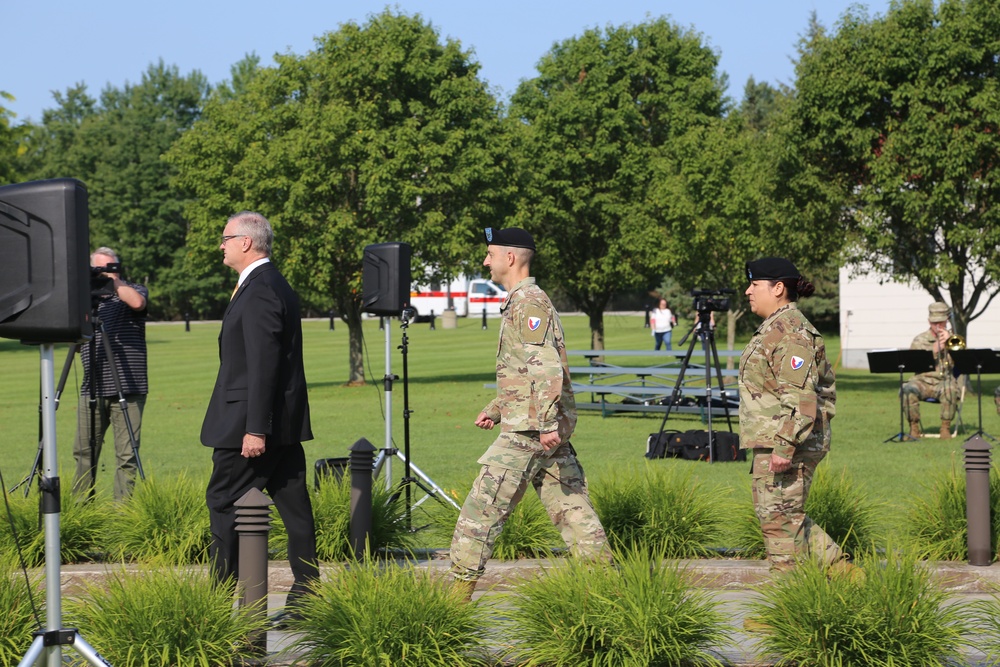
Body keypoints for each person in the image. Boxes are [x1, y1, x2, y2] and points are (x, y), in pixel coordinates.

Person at [449, 227, 609, 599]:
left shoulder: (529, 303)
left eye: (490, 254)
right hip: (536, 423)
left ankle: (454, 600)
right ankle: (607, 593)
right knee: (571, 508)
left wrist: (547, 423)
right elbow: (525, 371)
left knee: (482, 507)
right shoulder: (524, 301)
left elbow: (546, 367)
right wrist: (498, 408)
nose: (485, 261)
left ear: (509, 258)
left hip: (532, 431)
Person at [201, 211, 318, 619]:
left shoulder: (261, 289)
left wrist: (255, 429)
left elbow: (264, 363)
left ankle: (216, 606)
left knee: (222, 501)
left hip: (251, 427)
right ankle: (307, 599)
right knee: (296, 511)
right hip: (278, 423)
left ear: (247, 242)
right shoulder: (269, 284)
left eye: (226, 238)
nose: (221, 244)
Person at [740, 257, 852, 576]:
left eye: (754, 284)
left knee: (779, 525)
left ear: (778, 288)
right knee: (784, 517)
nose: (748, 291)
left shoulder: (790, 332)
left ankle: (784, 610)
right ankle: (849, 578)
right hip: (776, 440)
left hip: (789, 443)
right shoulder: (777, 327)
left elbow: (801, 398)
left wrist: (784, 447)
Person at [71, 247, 148, 502]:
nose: (103, 273)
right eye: (98, 269)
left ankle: (121, 516)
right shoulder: (85, 300)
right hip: (92, 386)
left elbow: (137, 303)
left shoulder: (131, 291)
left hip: (129, 387)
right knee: (84, 452)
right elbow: (73, 336)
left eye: (109, 267)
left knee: (126, 457)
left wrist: (113, 282)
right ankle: (81, 512)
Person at [902, 302, 960, 440]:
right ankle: (913, 428)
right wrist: (934, 349)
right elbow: (913, 364)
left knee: (950, 389)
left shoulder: (954, 339)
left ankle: (945, 428)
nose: (938, 326)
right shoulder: (919, 339)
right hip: (922, 381)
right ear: (929, 321)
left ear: (947, 321)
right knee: (908, 389)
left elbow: (964, 362)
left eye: (941, 322)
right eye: (935, 323)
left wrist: (950, 345)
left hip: (944, 381)